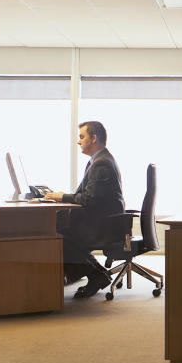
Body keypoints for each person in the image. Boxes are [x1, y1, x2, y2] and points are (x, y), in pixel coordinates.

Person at [46, 121, 125, 299]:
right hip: (103, 222)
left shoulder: (101, 163)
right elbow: (89, 196)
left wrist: (62, 197)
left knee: (58, 236)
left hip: (103, 226)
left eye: (82, 137)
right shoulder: (99, 160)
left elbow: (90, 199)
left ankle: (96, 276)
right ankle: (99, 274)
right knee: (60, 230)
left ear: (94, 138)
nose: (78, 141)